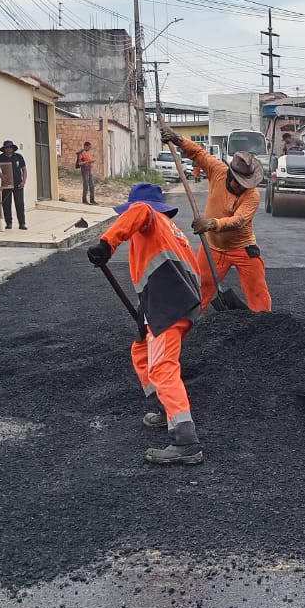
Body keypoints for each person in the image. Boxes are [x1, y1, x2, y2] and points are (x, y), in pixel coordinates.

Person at [87, 183, 205, 465]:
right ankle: (167, 410)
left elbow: (140, 210)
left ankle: (186, 441)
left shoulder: (147, 213)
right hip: (176, 302)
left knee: (163, 367)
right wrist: (146, 314)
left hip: (170, 303)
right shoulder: (171, 232)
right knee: (141, 350)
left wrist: (107, 243)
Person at [161, 125, 271, 312]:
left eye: (246, 183)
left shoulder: (252, 195)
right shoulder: (217, 171)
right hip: (212, 248)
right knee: (200, 288)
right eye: (239, 182)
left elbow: (239, 221)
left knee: (257, 290)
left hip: (242, 247)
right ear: (230, 175)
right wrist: (179, 139)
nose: (242, 187)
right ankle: (188, 324)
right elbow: (198, 153)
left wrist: (213, 223)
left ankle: (264, 325)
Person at [0, 140, 28, 230]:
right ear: (4, 149)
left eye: (10, 147)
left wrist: (23, 181)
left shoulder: (18, 157)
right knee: (6, 204)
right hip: (6, 185)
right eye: (7, 147)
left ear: (13, 148)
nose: (8, 149)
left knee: (20, 204)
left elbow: (24, 169)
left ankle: (22, 223)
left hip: (18, 185)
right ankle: (8, 223)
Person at [76, 141, 98, 205]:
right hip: (84, 170)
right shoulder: (81, 153)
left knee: (92, 185)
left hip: (89, 169)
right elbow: (79, 163)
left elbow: (87, 161)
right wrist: (88, 161)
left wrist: (90, 162)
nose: (89, 148)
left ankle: (92, 200)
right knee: (86, 185)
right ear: (85, 146)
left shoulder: (86, 153)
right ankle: (84, 200)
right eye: (89, 147)